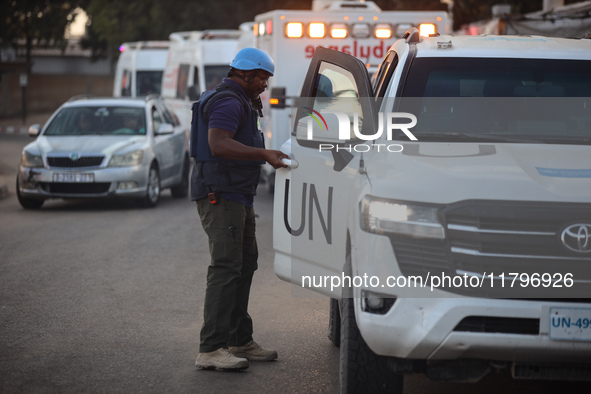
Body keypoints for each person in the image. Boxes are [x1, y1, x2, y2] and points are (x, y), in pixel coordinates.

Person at [191, 47, 289, 371]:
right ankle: (211, 348)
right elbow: (218, 143)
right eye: (261, 77)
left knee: (245, 264)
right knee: (226, 266)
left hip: (239, 195)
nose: (265, 84)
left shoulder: (242, 100)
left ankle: (239, 340)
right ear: (245, 73)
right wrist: (265, 154)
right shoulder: (229, 101)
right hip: (221, 193)